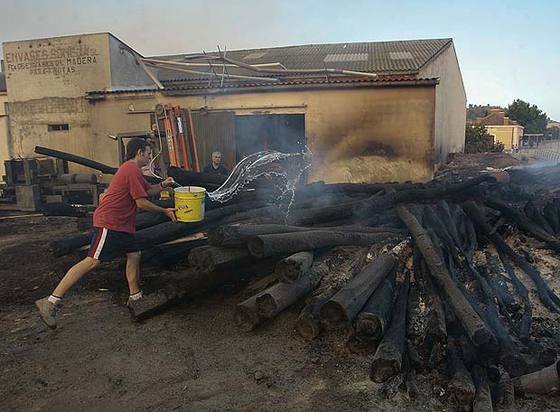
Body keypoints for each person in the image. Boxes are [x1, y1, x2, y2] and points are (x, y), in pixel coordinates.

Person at [35, 138, 177, 329]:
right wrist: (165, 211)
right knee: (92, 261)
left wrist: (164, 185)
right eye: (149, 153)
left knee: (134, 254)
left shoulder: (132, 170)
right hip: (110, 223)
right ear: (139, 152)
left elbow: (148, 190)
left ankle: (135, 297)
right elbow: (141, 202)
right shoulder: (130, 169)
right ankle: (51, 301)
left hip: (123, 225)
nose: (150, 157)